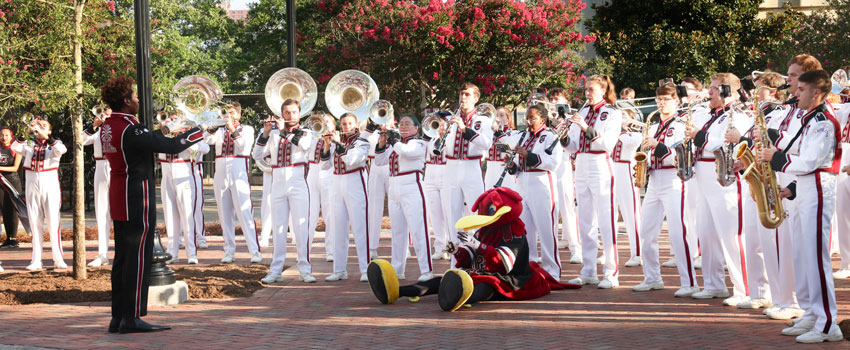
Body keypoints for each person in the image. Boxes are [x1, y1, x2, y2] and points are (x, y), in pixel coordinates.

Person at [100, 76, 203, 333]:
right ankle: (132, 318)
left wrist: (171, 127)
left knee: (123, 258)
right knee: (137, 258)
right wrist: (199, 130)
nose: (137, 100)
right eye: (134, 97)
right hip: (136, 194)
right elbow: (168, 147)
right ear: (126, 100)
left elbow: (148, 140)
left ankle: (119, 317)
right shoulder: (131, 127)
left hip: (120, 192)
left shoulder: (110, 125)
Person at [366, 187, 579, 311]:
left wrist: (477, 245)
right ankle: (396, 291)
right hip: (479, 273)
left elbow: (503, 265)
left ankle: (457, 298)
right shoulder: (485, 230)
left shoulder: (515, 234)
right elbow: (471, 257)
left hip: (506, 279)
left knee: (485, 287)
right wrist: (457, 250)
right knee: (440, 281)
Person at [758, 69, 844, 343]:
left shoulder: (822, 120)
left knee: (816, 259)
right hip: (804, 188)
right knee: (802, 256)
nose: (795, 93)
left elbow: (810, 161)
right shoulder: (807, 118)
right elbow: (797, 152)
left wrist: (776, 158)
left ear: (816, 92)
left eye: (801, 89)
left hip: (818, 188)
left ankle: (828, 323)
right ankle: (810, 313)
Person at [683, 73, 752, 306]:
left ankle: (744, 288)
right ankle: (713, 284)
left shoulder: (737, 115)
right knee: (706, 232)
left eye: (713, 88)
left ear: (726, 91)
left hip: (723, 173)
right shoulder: (708, 115)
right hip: (702, 173)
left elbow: (729, 144)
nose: (709, 92)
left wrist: (699, 135)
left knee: (731, 234)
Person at [631, 84, 699, 297]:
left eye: (666, 99)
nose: (661, 103)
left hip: (674, 179)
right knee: (646, 232)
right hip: (654, 180)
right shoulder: (652, 125)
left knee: (679, 233)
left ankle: (689, 283)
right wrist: (642, 162)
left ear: (676, 101)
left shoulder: (681, 125)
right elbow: (648, 152)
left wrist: (656, 145)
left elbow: (681, 157)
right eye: (659, 99)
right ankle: (652, 278)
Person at [562, 75, 624, 289]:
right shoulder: (583, 111)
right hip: (581, 164)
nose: (587, 93)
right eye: (586, 89)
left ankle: (611, 272)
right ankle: (588, 270)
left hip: (601, 165)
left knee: (606, 221)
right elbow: (573, 146)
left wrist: (585, 126)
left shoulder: (612, 113)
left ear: (603, 91)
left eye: (591, 90)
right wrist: (561, 136)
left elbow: (607, 144)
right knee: (585, 221)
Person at [254, 99, 315, 284]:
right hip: (277, 182)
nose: (290, 116)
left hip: (297, 182)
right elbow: (256, 155)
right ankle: (276, 270)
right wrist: (265, 133)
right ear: (282, 114)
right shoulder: (271, 133)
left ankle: (305, 269)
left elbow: (303, 145)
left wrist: (281, 131)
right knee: (278, 228)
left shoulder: (306, 132)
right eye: (287, 112)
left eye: (293, 112)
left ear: (299, 114)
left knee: (300, 227)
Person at [497, 104, 562, 279]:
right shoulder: (523, 136)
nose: (528, 121)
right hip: (523, 183)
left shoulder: (550, 137)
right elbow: (518, 165)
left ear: (542, 119)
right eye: (527, 117)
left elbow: (553, 163)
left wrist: (527, 155)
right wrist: (512, 165)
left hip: (541, 182)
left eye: (532, 118)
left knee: (546, 228)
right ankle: (531, 265)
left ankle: (552, 270)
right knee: (526, 229)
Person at [435, 83, 494, 259]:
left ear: (476, 98)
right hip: (451, 167)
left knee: (476, 213)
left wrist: (464, 129)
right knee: (451, 214)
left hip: (471, 166)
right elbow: (443, 149)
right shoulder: (450, 120)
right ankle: (456, 259)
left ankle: (478, 256)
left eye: (467, 94)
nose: (463, 98)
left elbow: (486, 143)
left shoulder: (483, 121)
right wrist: (441, 137)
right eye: (461, 94)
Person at [373, 114, 433, 282]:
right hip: (394, 188)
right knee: (398, 232)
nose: (403, 126)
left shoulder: (419, 142)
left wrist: (393, 141)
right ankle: (397, 270)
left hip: (412, 186)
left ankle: (426, 271)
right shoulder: (396, 144)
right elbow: (379, 161)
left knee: (419, 230)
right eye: (401, 124)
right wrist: (382, 143)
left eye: (408, 123)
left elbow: (406, 152)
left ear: (416, 128)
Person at [204, 102, 262, 264]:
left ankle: (255, 251)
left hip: (239, 172)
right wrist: (215, 125)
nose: (228, 115)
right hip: (221, 173)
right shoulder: (220, 131)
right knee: (224, 214)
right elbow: (206, 139)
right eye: (226, 112)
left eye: (232, 112)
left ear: (239, 114)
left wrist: (232, 128)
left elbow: (243, 146)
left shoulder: (247, 129)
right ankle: (229, 251)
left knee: (244, 212)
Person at [321, 113, 373, 282]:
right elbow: (324, 164)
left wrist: (337, 143)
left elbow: (352, 160)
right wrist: (327, 146)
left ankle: (365, 269)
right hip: (337, 181)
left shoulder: (362, 142)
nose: (346, 126)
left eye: (350, 123)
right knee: (338, 227)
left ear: (356, 124)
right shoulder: (337, 141)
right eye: (343, 123)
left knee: (359, 226)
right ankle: (339, 269)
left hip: (354, 180)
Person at [12, 118, 68, 271]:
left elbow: (61, 151)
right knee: (34, 223)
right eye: (38, 126)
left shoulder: (55, 143)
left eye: (44, 126)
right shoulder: (29, 143)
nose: (40, 128)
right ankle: (36, 260)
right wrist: (26, 132)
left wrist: (47, 138)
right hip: (32, 183)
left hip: (49, 183)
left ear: (49, 131)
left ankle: (58, 259)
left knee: (53, 222)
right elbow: (15, 147)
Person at [158, 118, 209, 265]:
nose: (173, 123)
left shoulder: (188, 134)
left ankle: (191, 252)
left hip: (184, 174)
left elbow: (205, 148)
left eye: (176, 120)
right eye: (171, 120)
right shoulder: (164, 135)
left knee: (187, 215)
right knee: (170, 216)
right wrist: (164, 132)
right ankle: (172, 252)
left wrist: (184, 136)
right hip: (166, 175)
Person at [548, 88, 581, 264]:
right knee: (550, 208)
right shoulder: (545, 118)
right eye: (551, 98)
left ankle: (576, 248)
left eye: (557, 98)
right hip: (548, 166)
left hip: (563, 165)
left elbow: (572, 143)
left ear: (566, 101)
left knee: (568, 206)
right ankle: (554, 245)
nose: (553, 101)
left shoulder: (571, 119)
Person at [612, 109, 643, 267]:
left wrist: (620, 126)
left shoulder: (634, 134)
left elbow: (628, 142)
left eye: (624, 116)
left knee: (631, 214)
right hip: (611, 170)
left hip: (626, 171)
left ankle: (637, 253)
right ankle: (608, 253)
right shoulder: (613, 131)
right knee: (610, 215)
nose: (620, 117)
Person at [82, 108, 113, 266]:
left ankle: (124, 253)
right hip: (101, 166)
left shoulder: (121, 128)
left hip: (119, 168)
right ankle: (102, 254)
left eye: (108, 114)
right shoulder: (97, 131)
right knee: (102, 212)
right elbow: (82, 141)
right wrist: (93, 126)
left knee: (122, 212)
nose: (105, 116)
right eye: (104, 114)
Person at [423, 115, 450, 261]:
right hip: (430, 173)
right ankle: (440, 246)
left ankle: (450, 246)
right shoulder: (430, 139)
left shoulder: (451, 139)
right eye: (439, 124)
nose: (441, 127)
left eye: (444, 124)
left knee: (448, 212)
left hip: (446, 172)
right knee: (435, 213)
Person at [483, 106, 517, 191]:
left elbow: (511, 147)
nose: (498, 118)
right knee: (489, 195)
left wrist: (499, 133)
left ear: (508, 119)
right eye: (496, 115)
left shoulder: (513, 133)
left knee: (507, 194)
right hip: (490, 167)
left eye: (501, 115)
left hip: (505, 167)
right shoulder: (489, 133)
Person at [0, 126, 22, 249]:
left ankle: (14, 238)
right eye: (2, 135)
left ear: (11, 136)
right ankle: (8, 238)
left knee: (13, 209)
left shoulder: (16, 149)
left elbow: (15, 168)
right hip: (0, 183)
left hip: (12, 181)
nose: (4, 137)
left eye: (6, 135)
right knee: (4, 209)